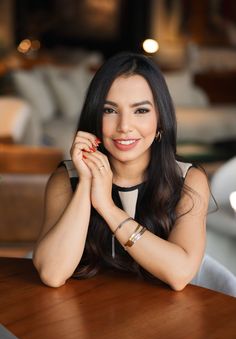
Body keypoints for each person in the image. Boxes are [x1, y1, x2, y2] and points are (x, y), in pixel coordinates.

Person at [33, 52, 210, 289]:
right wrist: (86, 182)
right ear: (95, 116)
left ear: (160, 119)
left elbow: (179, 275)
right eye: (110, 110)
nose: (124, 126)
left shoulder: (188, 179)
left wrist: (107, 207)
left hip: (164, 318)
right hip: (86, 315)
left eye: (140, 111)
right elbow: (52, 274)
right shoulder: (66, 178)